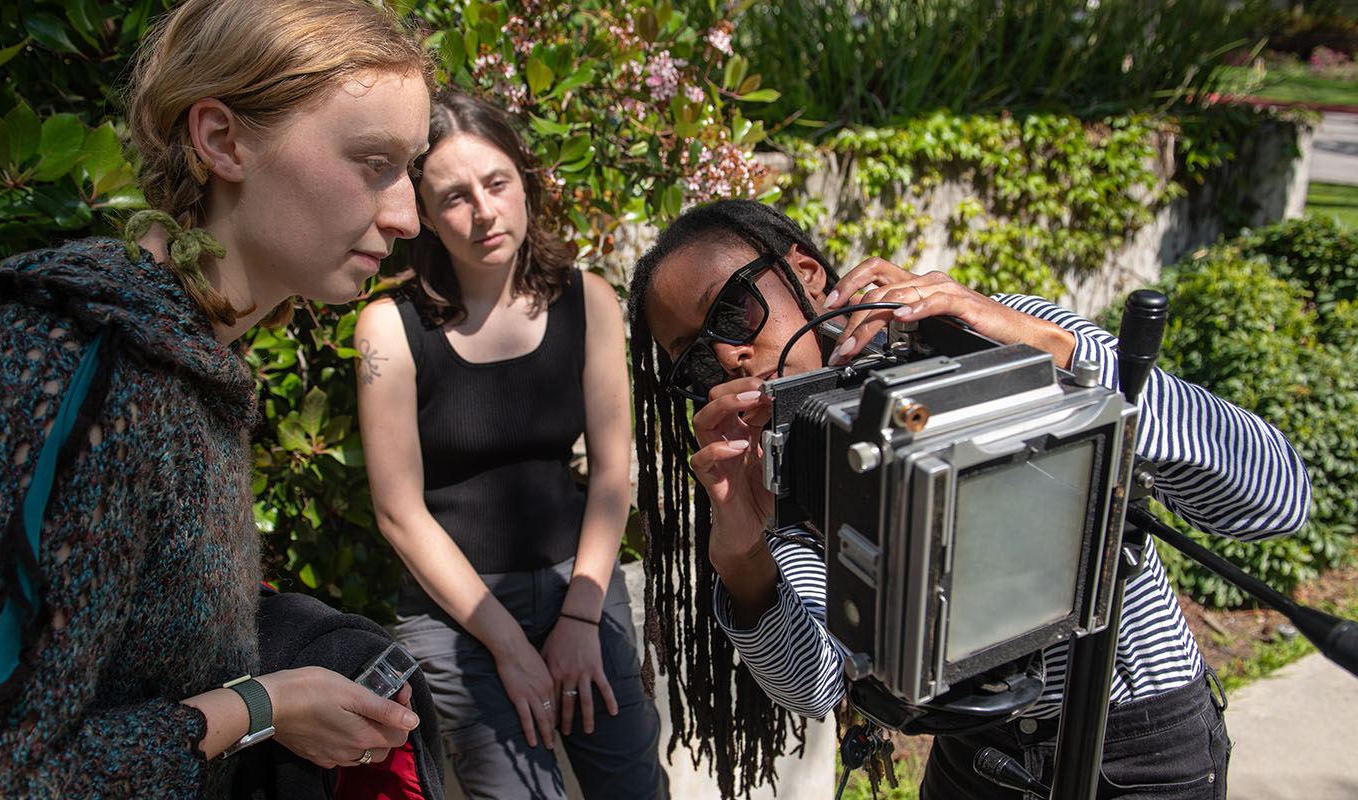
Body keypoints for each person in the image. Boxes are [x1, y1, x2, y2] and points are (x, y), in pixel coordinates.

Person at [0, 0, 436, 795]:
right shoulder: (74, 375)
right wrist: (259, 707)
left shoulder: (187, 359)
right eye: (372, 162)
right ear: (222, 140)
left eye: (410, 169)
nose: (406, 215)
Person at [627, 199, 1311, 799]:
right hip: (979, 758)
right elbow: (819, 682)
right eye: (695, 358)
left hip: (1134, 737)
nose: (729, 356)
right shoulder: (784, 470)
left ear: (805, 272)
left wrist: (1062, 356)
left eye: (732, 312)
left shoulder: (986, 331)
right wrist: (744, 558)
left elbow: (1275, 496)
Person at [353, 92, 668, 800]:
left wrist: (581, 616)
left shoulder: (589, 301)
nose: (484, 212)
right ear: (426, 215)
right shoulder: (387, 330)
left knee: (635, 788)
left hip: (577, 587)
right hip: (455, 615)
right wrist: (509, 646)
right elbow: (399, 513)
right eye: (454, 197)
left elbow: (615, 472)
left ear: (525, 181)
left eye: (497, 183)